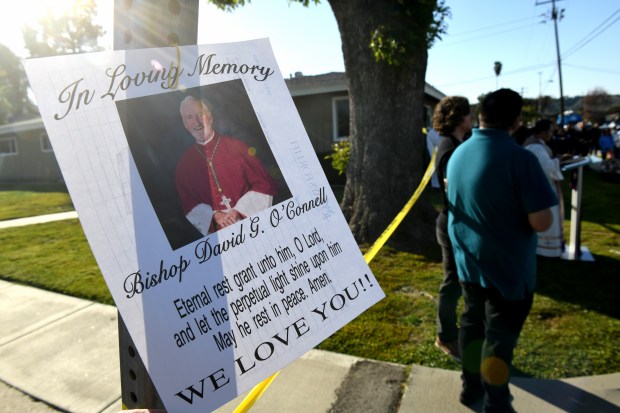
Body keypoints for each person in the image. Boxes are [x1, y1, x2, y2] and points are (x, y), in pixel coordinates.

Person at [446, 89, 557, 412]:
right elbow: (541, 221)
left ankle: (470, 390)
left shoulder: (459, 154)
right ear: (516, 120)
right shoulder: (521, 158)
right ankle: (496, 402)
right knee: (498, 341)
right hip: (507, 272)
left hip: (469, 264)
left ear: (479, 116)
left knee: (472, 329)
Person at [175, 96, 278, 235]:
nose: (197, 121)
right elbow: (188, 204)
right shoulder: (184, 165)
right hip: (219, 234)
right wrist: (215, 216)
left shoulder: (238, 147)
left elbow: (264, 184)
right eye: (189, 117)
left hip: (253, 226)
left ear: (210, 117)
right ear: (185, 124)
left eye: (200, 114)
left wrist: (238, 212)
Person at [431, 96, 473, 362]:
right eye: (469, 114)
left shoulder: (459, 144)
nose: (473, 118)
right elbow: (455, 192)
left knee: (459, 282)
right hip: (451, 225)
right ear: (459, 117)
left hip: (460, 223)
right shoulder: (449, 148)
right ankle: (445, 337)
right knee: (452, 283)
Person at [523, 119, 565, 258]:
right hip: (541, 188)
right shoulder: (535, 147)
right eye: (550, 131)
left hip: (538, 187)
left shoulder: (536, 144)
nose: (551, 134)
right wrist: (558, 161)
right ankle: (545, 249)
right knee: (546, 220)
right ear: (543, 131)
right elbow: (545, 169)